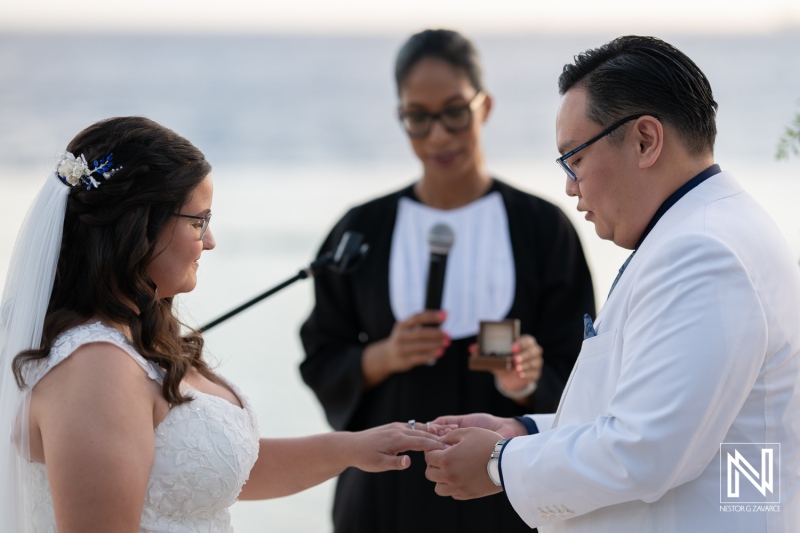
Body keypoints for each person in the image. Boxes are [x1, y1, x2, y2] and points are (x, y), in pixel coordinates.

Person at [423, 35, 800, 532]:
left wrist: (499, 463)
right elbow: (655, 422)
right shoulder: (710, 231)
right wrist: (523, 429)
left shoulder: (703, 253)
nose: (570, 187)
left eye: (574, 159)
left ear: (645, 140)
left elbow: (645, 451)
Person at [0, 116, 446, 533]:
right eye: (199, 221)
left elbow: (205, 470)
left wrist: (353, 447)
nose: (210, 241)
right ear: (138, 227)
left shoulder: (134, 340)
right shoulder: (96, 370)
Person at [299, 29, 595, 533]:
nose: (438, 136)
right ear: (401, 118)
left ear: (485, 107)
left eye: (455, 112)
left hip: (507, 495)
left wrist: (528, 383)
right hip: (384, 496)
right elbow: (321, 355)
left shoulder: (542, 228)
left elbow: (587, 374)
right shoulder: (362, 229)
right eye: (418, 118)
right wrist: (383, 356)